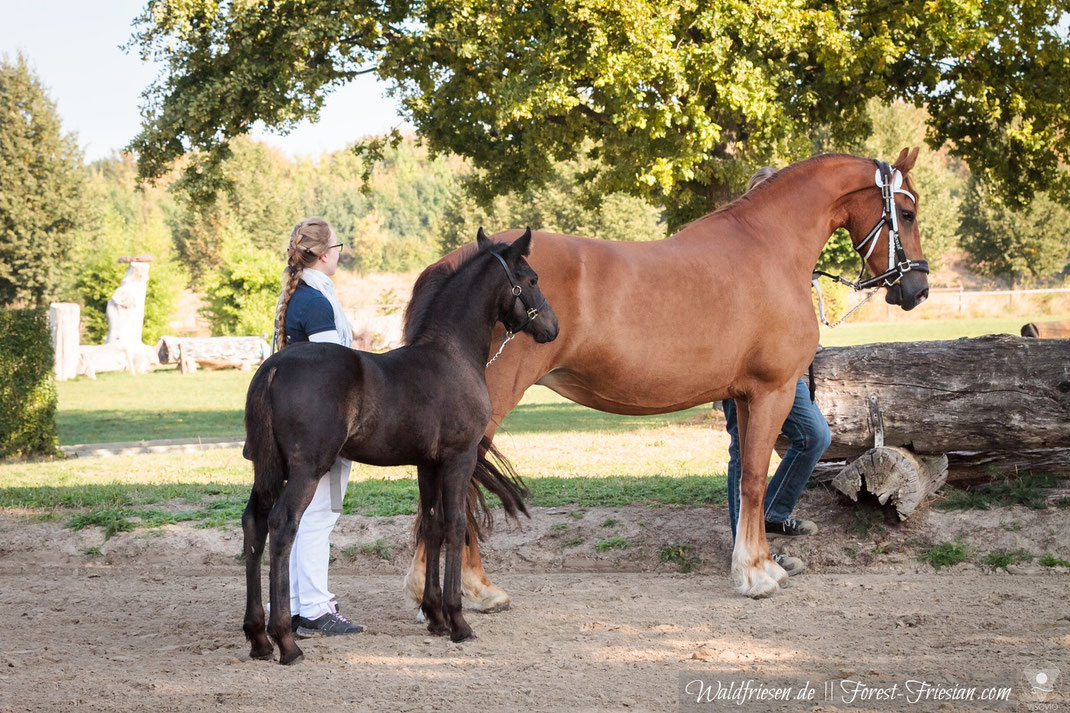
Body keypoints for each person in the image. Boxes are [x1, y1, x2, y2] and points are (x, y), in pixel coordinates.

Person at [722, 167, 832, 576]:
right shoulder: (742, 253)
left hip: (785, 372)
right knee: (745, 451)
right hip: (743, 369)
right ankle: (743, 544)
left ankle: (772, 513)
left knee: (815, 436)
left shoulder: (788, 254)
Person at [272, 216, 364, 637]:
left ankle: (289, 603)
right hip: (319, 421)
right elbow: (332, 374)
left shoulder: (304, 295)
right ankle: (311, 607)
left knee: (300, 511)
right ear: (325, 254)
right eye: (337, 246)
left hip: (299, 415)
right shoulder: (316, 301)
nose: (339, 253)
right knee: (318, 514)